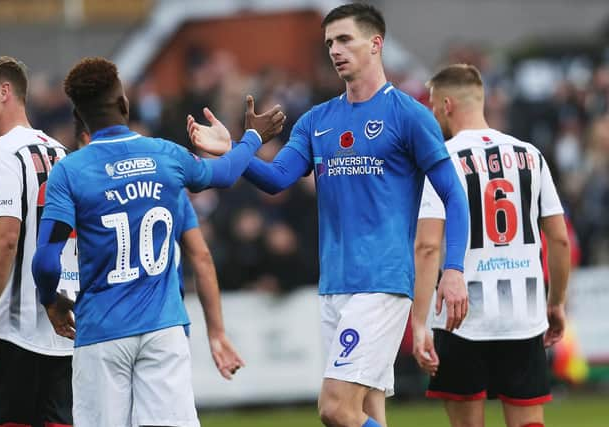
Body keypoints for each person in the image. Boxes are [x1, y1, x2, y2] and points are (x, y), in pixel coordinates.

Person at [187, 4, 470, 427]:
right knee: (366, 412)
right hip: (334, 284)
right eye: (329, 43)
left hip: (381, 282)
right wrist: (235, 149)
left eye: (344, 39)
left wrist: (454, 268)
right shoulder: (317, 120)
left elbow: (453, 193)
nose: (335, 50)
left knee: (334, 409)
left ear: (375, 44)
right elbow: (276, 178)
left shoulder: (409, 115)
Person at [31, 57, 283, 427]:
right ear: (124, 105)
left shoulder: (69, 172)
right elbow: (227, 173)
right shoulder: (165, 155)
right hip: (163, 327)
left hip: (102, 331)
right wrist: (251, 138)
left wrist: (52, 303)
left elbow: (47, 261)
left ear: (80, 116)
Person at [412, 64, 570, 427]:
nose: (434, 115)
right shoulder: (530, 154)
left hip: (461, 314)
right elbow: (559, 238)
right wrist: (556, 302)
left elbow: (427, 246)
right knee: (528, 421)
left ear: (447, 105)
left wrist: (419, 322)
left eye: (434, 107)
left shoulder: (442, 160)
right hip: (523, 312)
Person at [75, 119, 245, 380]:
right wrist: (217, 332)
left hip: (104, 326)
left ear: (86, 139)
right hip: (165, 324)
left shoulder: (76, 186)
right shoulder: (169, 187)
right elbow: (201, 256)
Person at [0, 56, 74, 426]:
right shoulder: (61, 153)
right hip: (61, 335)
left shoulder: (0, 151)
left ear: (5, 91)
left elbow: (5, 239)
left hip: (11, 333)